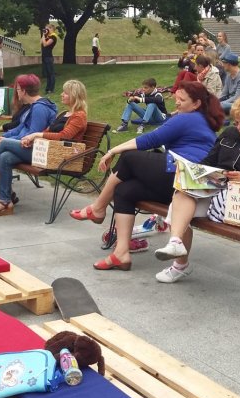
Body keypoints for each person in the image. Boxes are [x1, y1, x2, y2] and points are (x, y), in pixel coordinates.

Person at [71, 81, 222, 271]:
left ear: (196, 104)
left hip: (184, 176)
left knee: (129, 158)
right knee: (125, 190)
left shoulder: (189, 118)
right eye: (176, 99)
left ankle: (98, 207)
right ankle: (121, 254)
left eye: (182, 100)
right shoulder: (196, 118)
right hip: (179, 184)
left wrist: (113, 151)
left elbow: (151, 139)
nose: (177, 103)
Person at [152, 94, 240, 283]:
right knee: (182, 193)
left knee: (178, 210)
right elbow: (208, 161)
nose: (238, 127)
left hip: (239, 199)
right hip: (214, 189)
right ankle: (175, 243)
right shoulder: (229, 134)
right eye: (236, 122)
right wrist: (196, 172)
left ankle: (178, 264)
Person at [0, 75, 64, 215]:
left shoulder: (40, 108)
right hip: (24, 145)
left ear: (24, 91)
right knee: (4, 157)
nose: (17, 92)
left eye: (18, 89)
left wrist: (6, 140)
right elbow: (20, 129)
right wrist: (4, 137)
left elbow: (31, 135)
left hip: (34, 149)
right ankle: (5, 200)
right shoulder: (33, 107)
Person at [41, 24, 58, 94]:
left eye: (47, 29)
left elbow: (45, 44)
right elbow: (41, 42)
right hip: (45, 57)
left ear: (51, 29)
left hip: (49, 57)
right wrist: (44, 35)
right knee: (47, 74)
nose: (46, 30)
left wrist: (44, 36)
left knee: (51, 74)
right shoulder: (47, 36)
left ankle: (51, 89)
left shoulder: (53, 37)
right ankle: (47, 89)